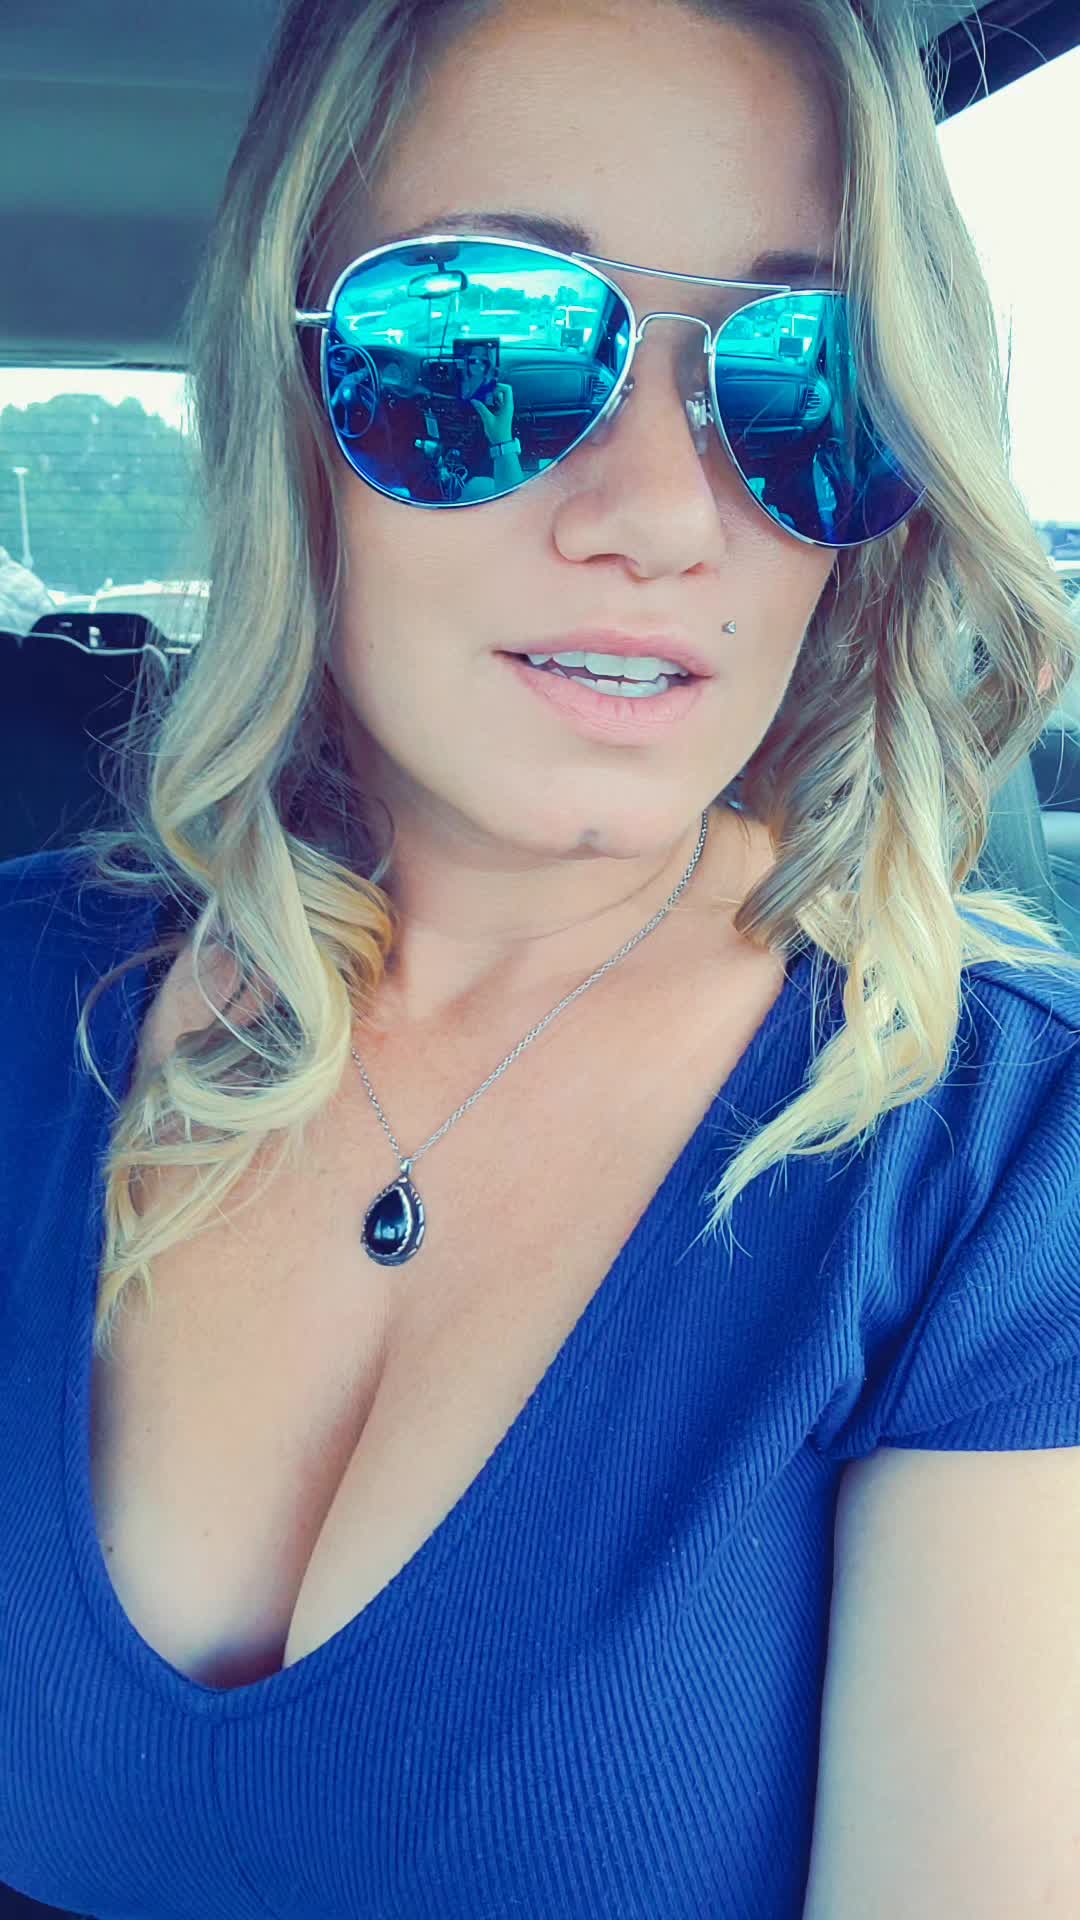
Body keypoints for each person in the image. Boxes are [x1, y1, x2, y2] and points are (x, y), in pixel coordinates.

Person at [2, 1, 1080, 1916]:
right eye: (478, 345)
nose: (663, 516)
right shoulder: (28, 998)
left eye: (806, 381)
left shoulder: (1003, 1164)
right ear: (288, 390)